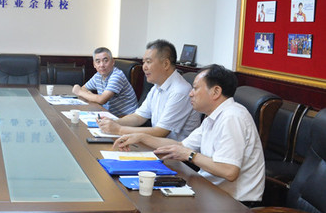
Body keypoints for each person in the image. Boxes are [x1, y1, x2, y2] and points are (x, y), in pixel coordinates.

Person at [113, 64, 265, 203]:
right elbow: (181, 145)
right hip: (210, 191)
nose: (190, 94)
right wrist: (141, 137)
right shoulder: (213, 117)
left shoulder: (232, 117)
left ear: (216, 92)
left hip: (234, 203)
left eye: (195, 88)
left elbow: (229, 171)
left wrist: (190, 155)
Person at [97, 39, 200, 140]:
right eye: (143, 62)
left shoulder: (180, 91)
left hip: (174, 149)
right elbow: (138, 117)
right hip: (157, 144)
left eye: (148, 62)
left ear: (166, 64)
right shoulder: (157, 87)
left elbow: (160, 132)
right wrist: (113, 122)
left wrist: (119, 129)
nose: (144, 67)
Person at [71, 47, 137, 117]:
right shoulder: (98, 75)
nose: (102, 65)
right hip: (108, 115)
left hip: (127, 118)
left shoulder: (117, 75)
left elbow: (102, 100)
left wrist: (79, 92)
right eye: (98, 61)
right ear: (94, 64)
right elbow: (84, 88)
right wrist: (89, 95)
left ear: (112, 62)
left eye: (105, 61)